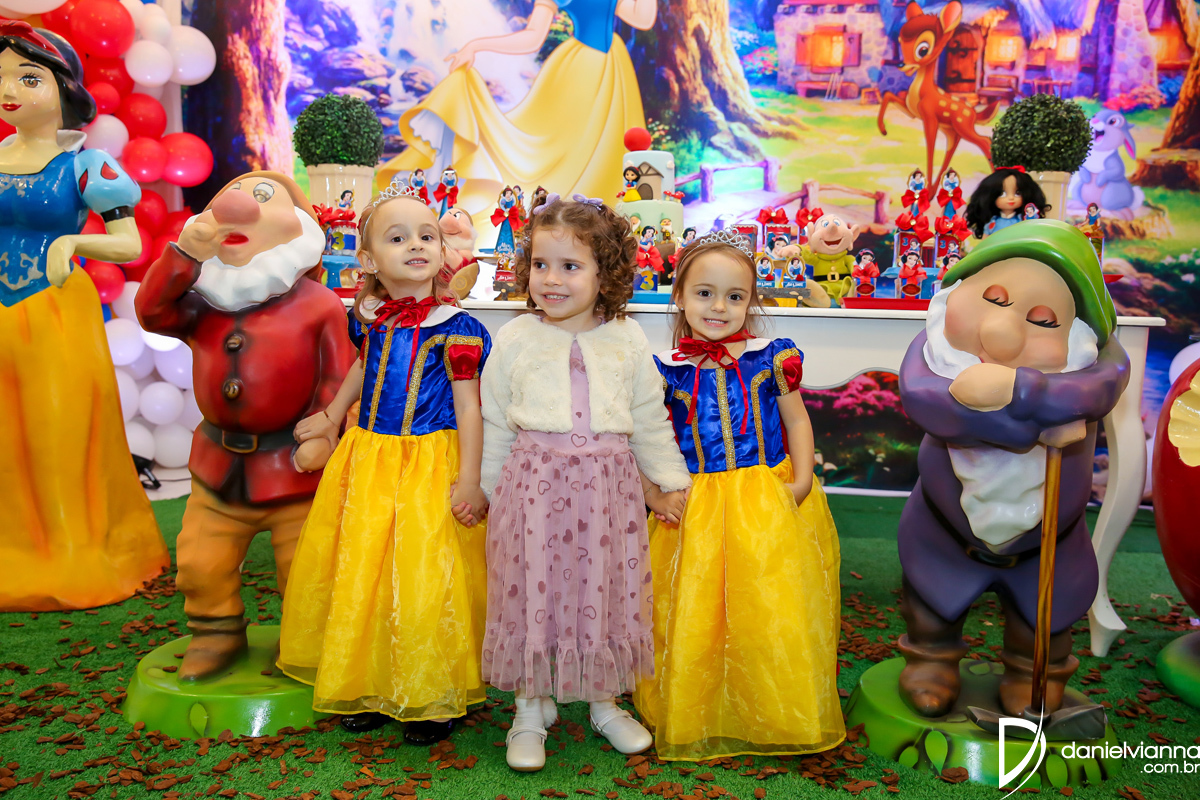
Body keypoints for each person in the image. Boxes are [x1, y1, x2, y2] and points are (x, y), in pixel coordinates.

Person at [480, 193, 691, 772]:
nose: (551, 279)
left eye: (570, 266)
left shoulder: (627, 337)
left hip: (607, 493)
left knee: (603, 590)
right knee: (533, 591)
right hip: (533, 489)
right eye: (540, 265)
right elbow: (495, 418)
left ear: (606, 273)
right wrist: (487, 489)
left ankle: (604, 702)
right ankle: (529, 709)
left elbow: (648, 416)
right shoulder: (516, 337)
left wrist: (667, 480)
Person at [276, 186, 492, 745]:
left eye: (427, 236)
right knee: (365, 568)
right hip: (369, 457)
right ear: (368, 260)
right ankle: (367, 681)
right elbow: (362, 367)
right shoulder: (370, 319)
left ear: (443, 251)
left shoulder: (457, 329)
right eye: (398, 238)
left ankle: (429, 690)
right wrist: (331, 417)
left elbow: (470, 408)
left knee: (422, 574)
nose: (416, 245)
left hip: (428, 463)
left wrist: (471, 478)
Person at [897, 220, 1128, 721]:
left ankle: (1032, 671)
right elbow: (925, 399)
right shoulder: (932, 356)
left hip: (1049, 539)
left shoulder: (1090, 371)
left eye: (1043, 321)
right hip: (944, 530)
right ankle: (931, 659)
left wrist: (1020, 390)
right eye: (993, 299)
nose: (1001, 334)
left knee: (1045, 617)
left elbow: (1103, 384)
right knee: (930, 604)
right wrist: (1031, 420)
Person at [633, 230, 844, 760]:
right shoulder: (664, 370)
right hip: (695, 503)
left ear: (752, 300)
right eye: (704, 293)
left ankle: (772, 710)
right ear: (679, 295)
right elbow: (644, 439)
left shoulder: (770, 358)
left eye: (735, 296)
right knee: (696, 608)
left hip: (763, 497)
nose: (719, 307)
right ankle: (700, 708)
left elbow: (797, 420)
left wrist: (801, 480)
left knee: (768, 601)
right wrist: (653, 493)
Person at [137, 171, 355, 679]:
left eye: (262, 197)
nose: (238, 208)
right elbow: (151, 313)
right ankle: (215, 633)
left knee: (306, 567)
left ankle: (307, 642)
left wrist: (325, 431)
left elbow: (339, 375)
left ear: (299, 224)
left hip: (293, 468)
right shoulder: (201, 303)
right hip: (219, 467)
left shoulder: (319, 305)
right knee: (201, 562)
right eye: (227, 199)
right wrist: (184, 257)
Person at [0, 22, 168, 611]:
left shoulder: (85, 163)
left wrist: (75, 242)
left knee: (57, 433)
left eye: (28, 77)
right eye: (1, 78)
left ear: (63, 89)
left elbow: (130, 244)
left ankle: (72, 551)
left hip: (54, 314)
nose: (9, 90)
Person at [378, 0, 658, 229]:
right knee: (569, 150)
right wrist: (476, 45)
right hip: (580, 72)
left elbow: (642, 18)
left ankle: (605, 233)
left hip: (611, 70)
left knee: (607, 151)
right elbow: (532, 37)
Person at [964, 167, 1048, 239]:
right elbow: (985, 241)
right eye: (1002, 194)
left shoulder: (1022, 220)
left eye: (1017, 193)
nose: (1011, 198)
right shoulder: (992, 222)